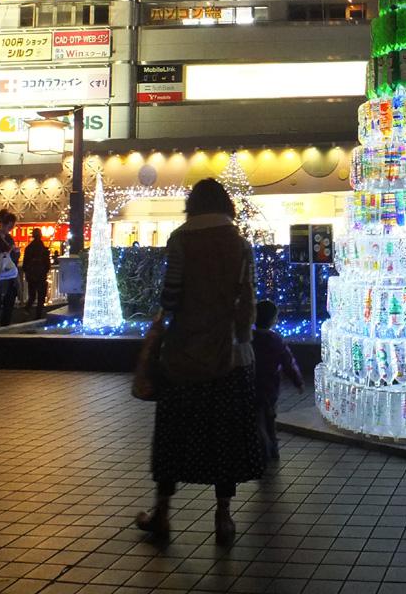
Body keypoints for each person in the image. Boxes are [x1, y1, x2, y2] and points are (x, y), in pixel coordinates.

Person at [136, 179, 264, 547]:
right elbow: (247, 301)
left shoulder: (180, 239)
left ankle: (161, 512)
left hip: (183, 355)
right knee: (224, 436)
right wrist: (241, 337)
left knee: (174, 434)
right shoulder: (240, 245)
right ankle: (222, 517)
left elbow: (171, 296)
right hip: (231, 356)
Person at [251, 299, 304, 460]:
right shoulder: (275, 340)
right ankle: (271, 448)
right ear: (273, 320)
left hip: (251, 385)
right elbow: (288, 362)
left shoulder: (249, 339)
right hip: (269, 387)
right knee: (269, 417)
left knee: (257, 416)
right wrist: (298, 381)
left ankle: (261, 446)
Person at [22, 228, 52, 318]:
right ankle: (38, 316)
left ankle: (27, 309)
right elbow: (47, 264)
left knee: (32, 296)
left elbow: (24, 264)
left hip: (31, 276)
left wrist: (28, 271)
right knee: (41, 297)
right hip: (41, 276)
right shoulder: (44, 249)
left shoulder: (28, 248)